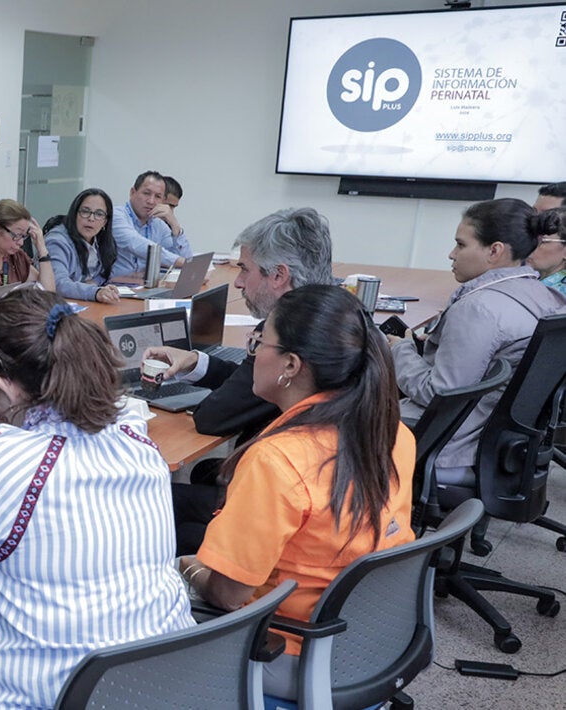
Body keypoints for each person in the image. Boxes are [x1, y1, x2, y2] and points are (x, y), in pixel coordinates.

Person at [0, 287, 193, 710]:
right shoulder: (134, 434)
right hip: (162, 684)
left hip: (60, 698)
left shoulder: (5, 464)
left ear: (6, 386)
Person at [182, 285, 416, 700]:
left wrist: (185, 567)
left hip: (286, 649)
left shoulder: (278, 461)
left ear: (290, 364)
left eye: (259, 342)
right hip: (367, 635)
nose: (254, 352)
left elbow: (227, 596)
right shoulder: (394, 433)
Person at [143, 207, 335, 554]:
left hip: (288, 507)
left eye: (244, 269)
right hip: (324, 490)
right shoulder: (334, 317)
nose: (238, 282)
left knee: (149, 502)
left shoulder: (291, 336)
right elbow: (254, 389)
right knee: (206, 474)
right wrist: (198, 364)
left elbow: (213, 417)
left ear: (279, 275)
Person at [391, 199, 566, 489]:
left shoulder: (479, 308)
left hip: (444, 446)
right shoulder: (546, 298)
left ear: (494, 251)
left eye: (460, 245)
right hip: (496, 445)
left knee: (330, 415)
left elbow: (438, 392)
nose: (451, 254)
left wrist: (400, 349)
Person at [44, 188, 120, 304]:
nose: (91, 218)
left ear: (105, 221)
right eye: (85, 211)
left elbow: (104, 274)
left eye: (99, 214)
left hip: (82, 304)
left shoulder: (102, 241)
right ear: (74, 214)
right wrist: (94, 292)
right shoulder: (57, 241)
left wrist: (95, 285)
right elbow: (57, 283)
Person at [110, 170, 192, 277]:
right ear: (132, 192)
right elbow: (136, 244)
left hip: (144, 288)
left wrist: (175, 226)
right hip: (113, 288)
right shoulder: (117, 215)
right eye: (146, 193)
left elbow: (187, 262)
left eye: (158, 196)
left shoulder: (158, 224)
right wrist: (180, 261)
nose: (151, 201)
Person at [526, 207, 566, 296]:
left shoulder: (560, 297)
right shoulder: (528, 277)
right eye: (531, 239)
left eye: (542, 241)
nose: (532, 246)